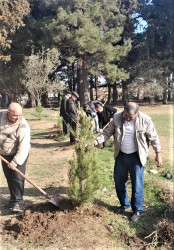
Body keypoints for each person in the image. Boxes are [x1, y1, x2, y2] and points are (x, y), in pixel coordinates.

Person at [94, 102, 162, 221]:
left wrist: (158, 153)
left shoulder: (145, 119)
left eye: (130, 117)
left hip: (137, 156)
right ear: (123, 111)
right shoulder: (117, 118)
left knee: (137, 184)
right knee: (119, 181)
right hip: (121, 155)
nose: (127, 118)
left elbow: (154, 137)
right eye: (125, 115)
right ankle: (125, 204)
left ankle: (137, 210)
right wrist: (95, 142)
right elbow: (106, 133)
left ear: (137, 113)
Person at [0, 102, 30, 212]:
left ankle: (18, 202)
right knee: (9, 177)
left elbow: (24, 147)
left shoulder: (23, 125)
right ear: (8, 113)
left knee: (17, 178)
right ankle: (13, 200)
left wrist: (15, 162)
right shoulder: (0, 116)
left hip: (18, 153)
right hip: (4, 154)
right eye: (15, 115)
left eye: (20, 115)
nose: (18, 118)